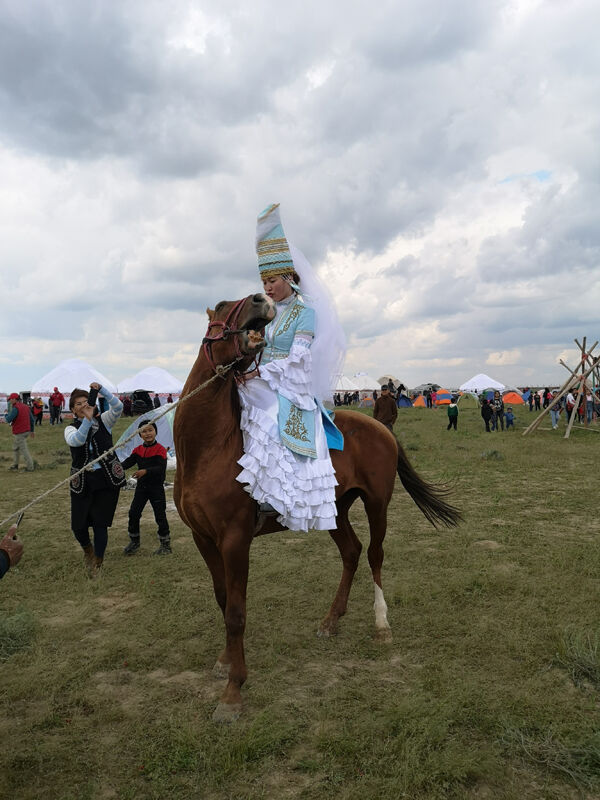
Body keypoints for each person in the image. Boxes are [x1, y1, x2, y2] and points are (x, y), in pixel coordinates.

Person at [236, 203, 345, 532]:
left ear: (290, 278)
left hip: (292, 385)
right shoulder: (270, 313)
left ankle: (277, 493)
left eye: (272, 280)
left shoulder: (305, 313)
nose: (267, 287)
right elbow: (264, 347)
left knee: (268, 417)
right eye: (264, 280)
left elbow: (299, 357)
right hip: (264, 378)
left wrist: (259, 372)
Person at [64, 383, 125, 578]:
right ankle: (87, 549)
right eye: (78, 404)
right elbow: (78, 441)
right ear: (73, 410)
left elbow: (118, 407)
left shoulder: (104, 421)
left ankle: (98, 560)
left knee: (100, 524)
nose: (82, 406)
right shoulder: (70, 429)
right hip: (82, 481)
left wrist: (102, 391)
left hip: (105, 479)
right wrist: (88, 420)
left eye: (85, 402)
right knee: (78, 526)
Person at [120, 420, 171, 555]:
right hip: (142, 488)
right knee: (134, 513)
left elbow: (160, 468)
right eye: (144, 431)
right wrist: (114, 466)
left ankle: (165, 545)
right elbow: (126, 463)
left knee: (160, 515)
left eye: (150, 430)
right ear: (139, 435)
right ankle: (134, 542)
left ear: (155, 432)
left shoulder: (160, 449)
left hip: (156, 488)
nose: (148, 433)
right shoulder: (138, 450)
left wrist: (145, 472)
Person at [5, 393, 35, 471]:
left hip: (19, 432)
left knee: (23, 449)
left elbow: (8, 419)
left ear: (15, 399)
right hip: (26, 431)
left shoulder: (16, 408)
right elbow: (32, 420)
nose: (10, 401)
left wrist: (5, 414)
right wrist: (32, 431)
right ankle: (15, 465)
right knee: (15, 448)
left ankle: (30, 467)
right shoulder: (26, 407)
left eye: (11, 399)